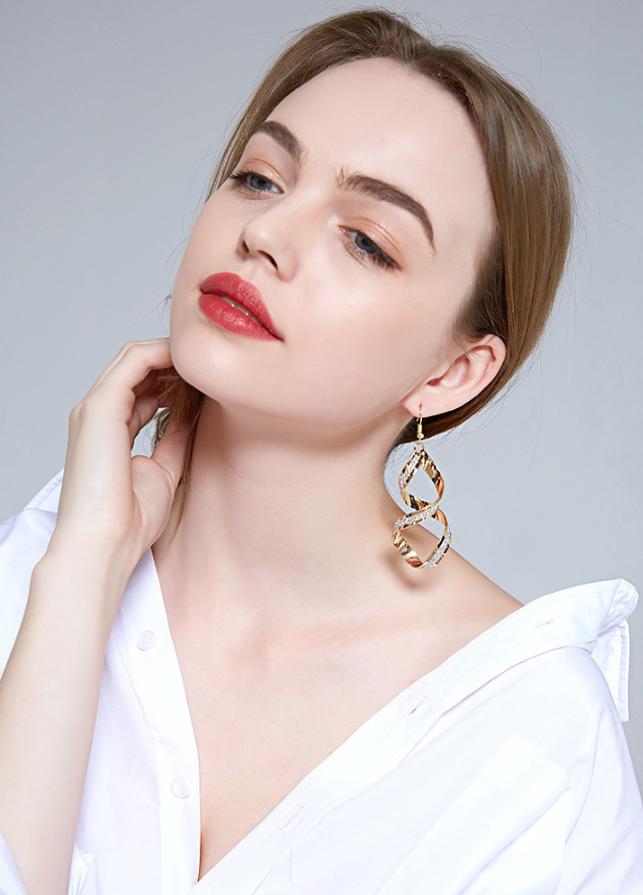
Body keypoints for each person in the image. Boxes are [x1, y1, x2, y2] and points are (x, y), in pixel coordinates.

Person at [1, 7, 642, 895]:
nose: (263, 234)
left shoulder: (528, 743)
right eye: (259, 178)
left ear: (451, 373)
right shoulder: (40, 571)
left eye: (366, 241)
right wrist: (79, 575)